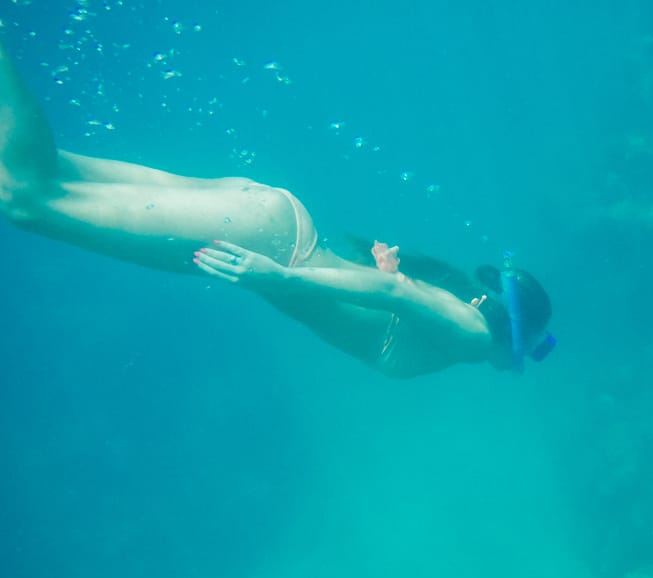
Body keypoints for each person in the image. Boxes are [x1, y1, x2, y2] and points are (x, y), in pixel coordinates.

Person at [0, 43, 554, 378]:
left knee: (49, 174)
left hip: (274, 217)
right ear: (517, 335)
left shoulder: (457, 309)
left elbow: (397, 293)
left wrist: (370, 273)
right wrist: (281, 278)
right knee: (28, 198)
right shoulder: (474, 337)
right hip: (267, 243)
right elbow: (395, 294)